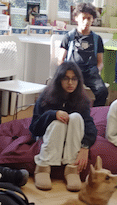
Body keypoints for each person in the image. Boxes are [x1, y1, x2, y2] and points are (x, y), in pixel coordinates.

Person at [29, 61, 97, 192]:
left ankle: (72, 168)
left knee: (76, 117)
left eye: (74, 79)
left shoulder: (82, 100)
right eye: (66, 78)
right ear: (59, 80)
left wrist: (85, 147)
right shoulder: (45, 97)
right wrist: (53, 114)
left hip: (71, 140)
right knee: (58, 123)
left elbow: (90, 125)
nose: (70, 83)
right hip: (48, 136)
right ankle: (43, 167)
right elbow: (34, 128)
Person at [59, 2, 108, 107]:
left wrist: (97, 70)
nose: (86, 21)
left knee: (102, 91)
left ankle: (96, 115)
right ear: (76, 18)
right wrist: (66, 74)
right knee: (70, 95)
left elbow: (100, 62)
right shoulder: (69, 37)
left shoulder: (97, 39)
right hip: (73, 73)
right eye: (83, 18)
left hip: (91, 73)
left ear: (92, 20)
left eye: (89, 18)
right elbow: (60, 60)